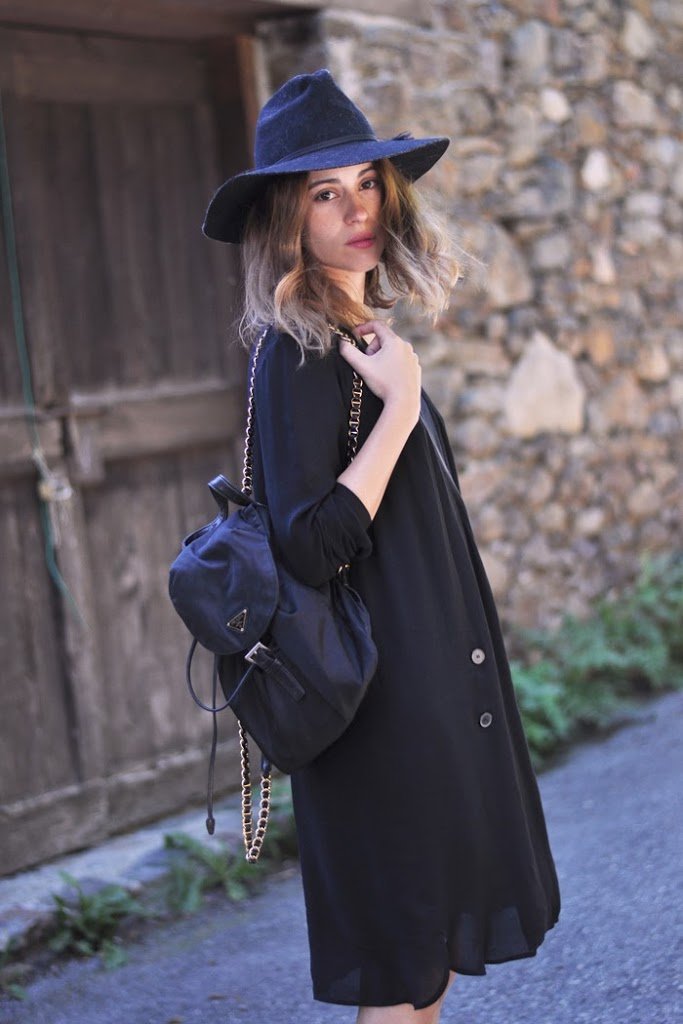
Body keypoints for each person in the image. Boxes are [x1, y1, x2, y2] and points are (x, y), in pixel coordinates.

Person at [202, 69, 561, 1024]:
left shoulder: (357, 335)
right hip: (380, 711)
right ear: (286, 217)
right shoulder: (299, 353)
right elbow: (311, 546)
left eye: (366, 183)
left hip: (421, 692)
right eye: (325, 193)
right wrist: (401, 406)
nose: (356, 210)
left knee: (423, 961)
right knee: (403, 970)